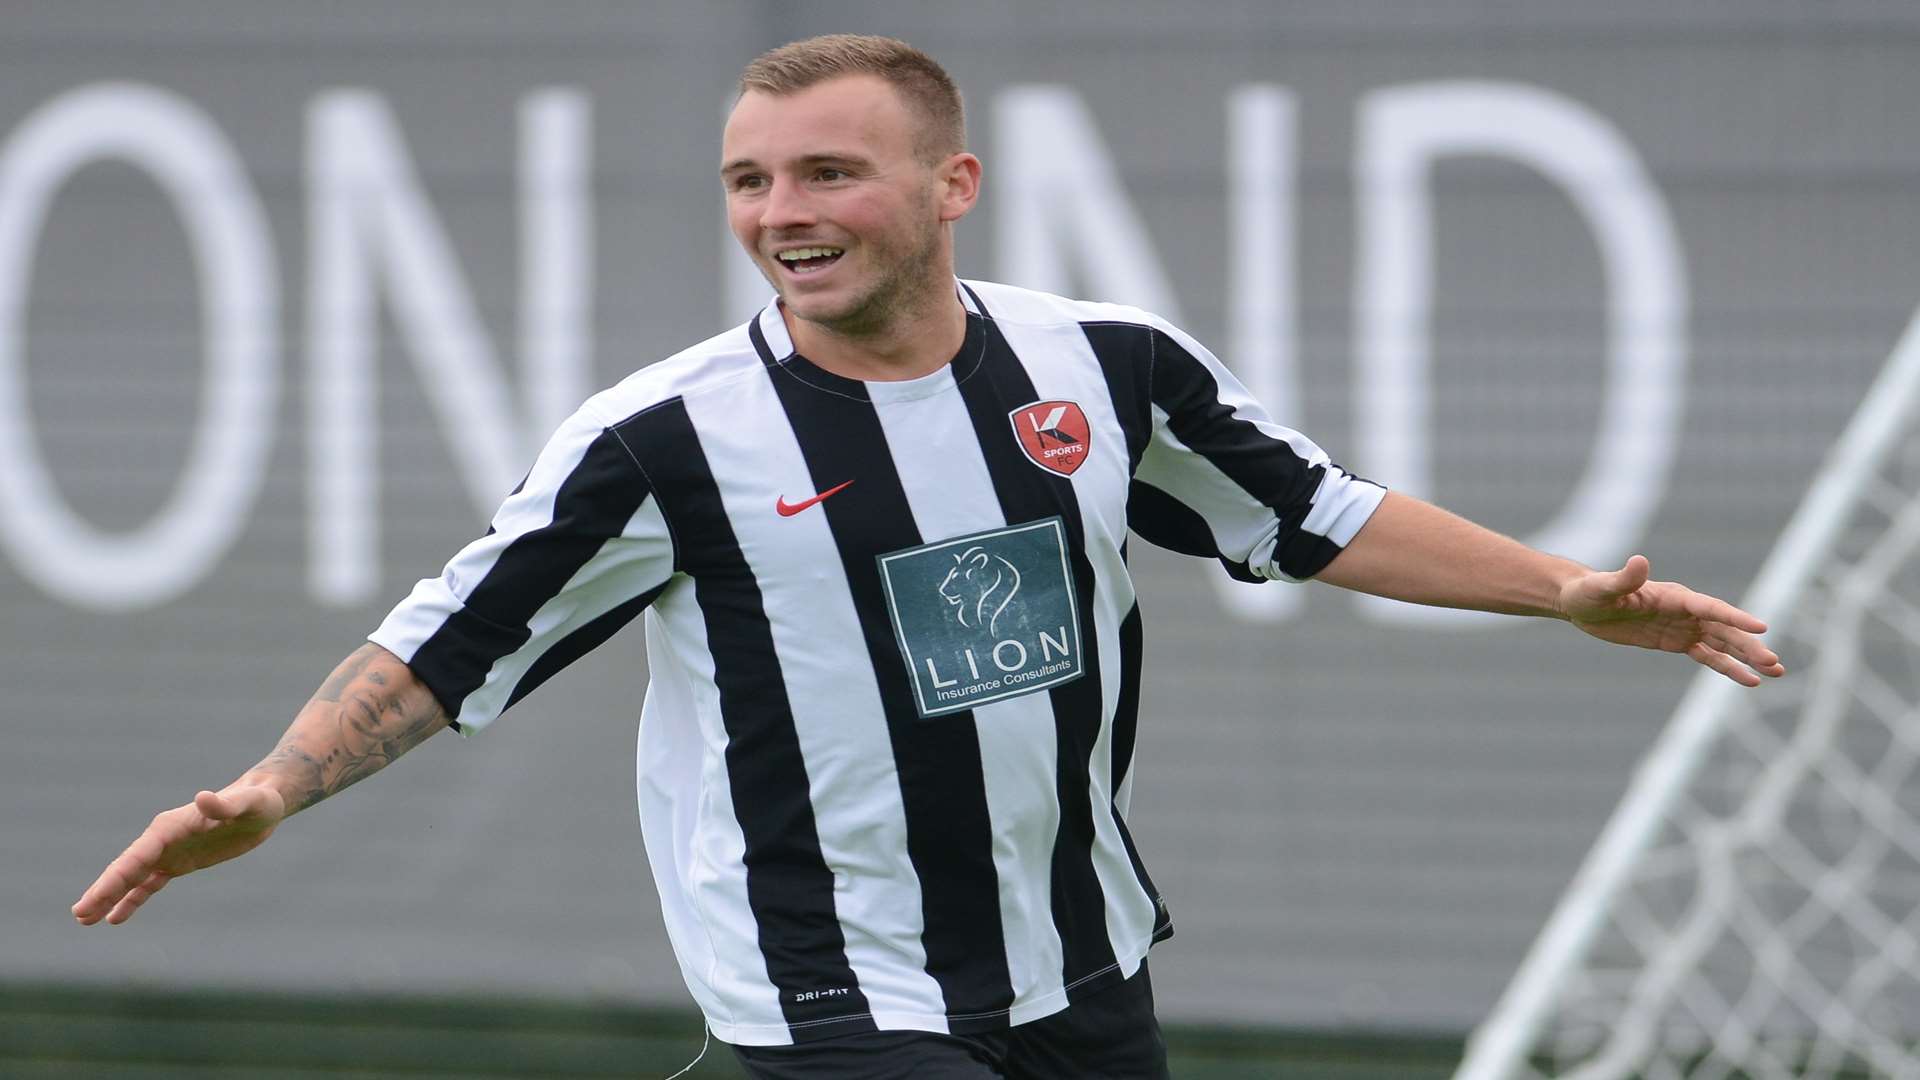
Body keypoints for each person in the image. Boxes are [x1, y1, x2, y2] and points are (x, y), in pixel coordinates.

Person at [73, 33, 1784, 1080]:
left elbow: (1320, 516)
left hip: (1075, 945)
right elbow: (451, 640)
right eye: (750, 180)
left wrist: (1564, 591)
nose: (782, 213)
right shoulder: (662, 440)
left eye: (831, 171)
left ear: (952, 181)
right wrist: (273, 790)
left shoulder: (1102, 366)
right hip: (828, 969)